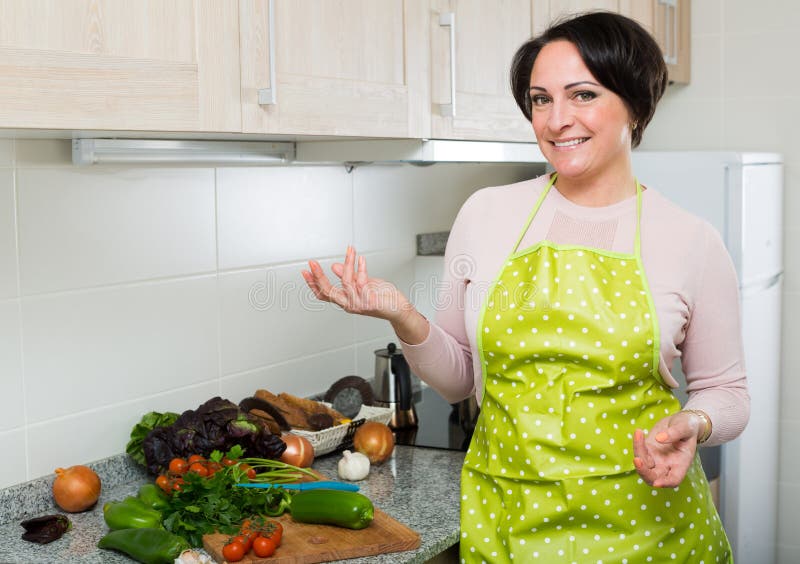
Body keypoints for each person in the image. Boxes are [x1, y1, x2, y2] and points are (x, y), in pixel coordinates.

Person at [302, 11, 748, 563]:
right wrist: (401, 314)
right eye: (541, 100)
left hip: (647, 532)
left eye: (582, 95)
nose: (557, 120)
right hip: (510, 523)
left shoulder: (690, 240)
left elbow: (727, 392)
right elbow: (459, 378)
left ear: (634, 103)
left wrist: (694, 422)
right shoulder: (488, 214)